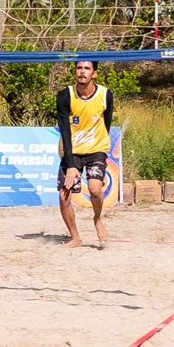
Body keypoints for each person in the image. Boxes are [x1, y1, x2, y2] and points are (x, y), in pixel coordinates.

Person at [56, 59, 114, 250]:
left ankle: (97, 220)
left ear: (94, 73)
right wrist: (70, 164)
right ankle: (75, 238)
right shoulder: (65, 95)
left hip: (96, 149)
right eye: (79, 68)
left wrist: (99, 143)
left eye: (87, 68)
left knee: (95, 188)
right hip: (72, 150)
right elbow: (64, 130)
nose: (82, 72)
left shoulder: (105, 95)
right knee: (64, 196)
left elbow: (107, 123)